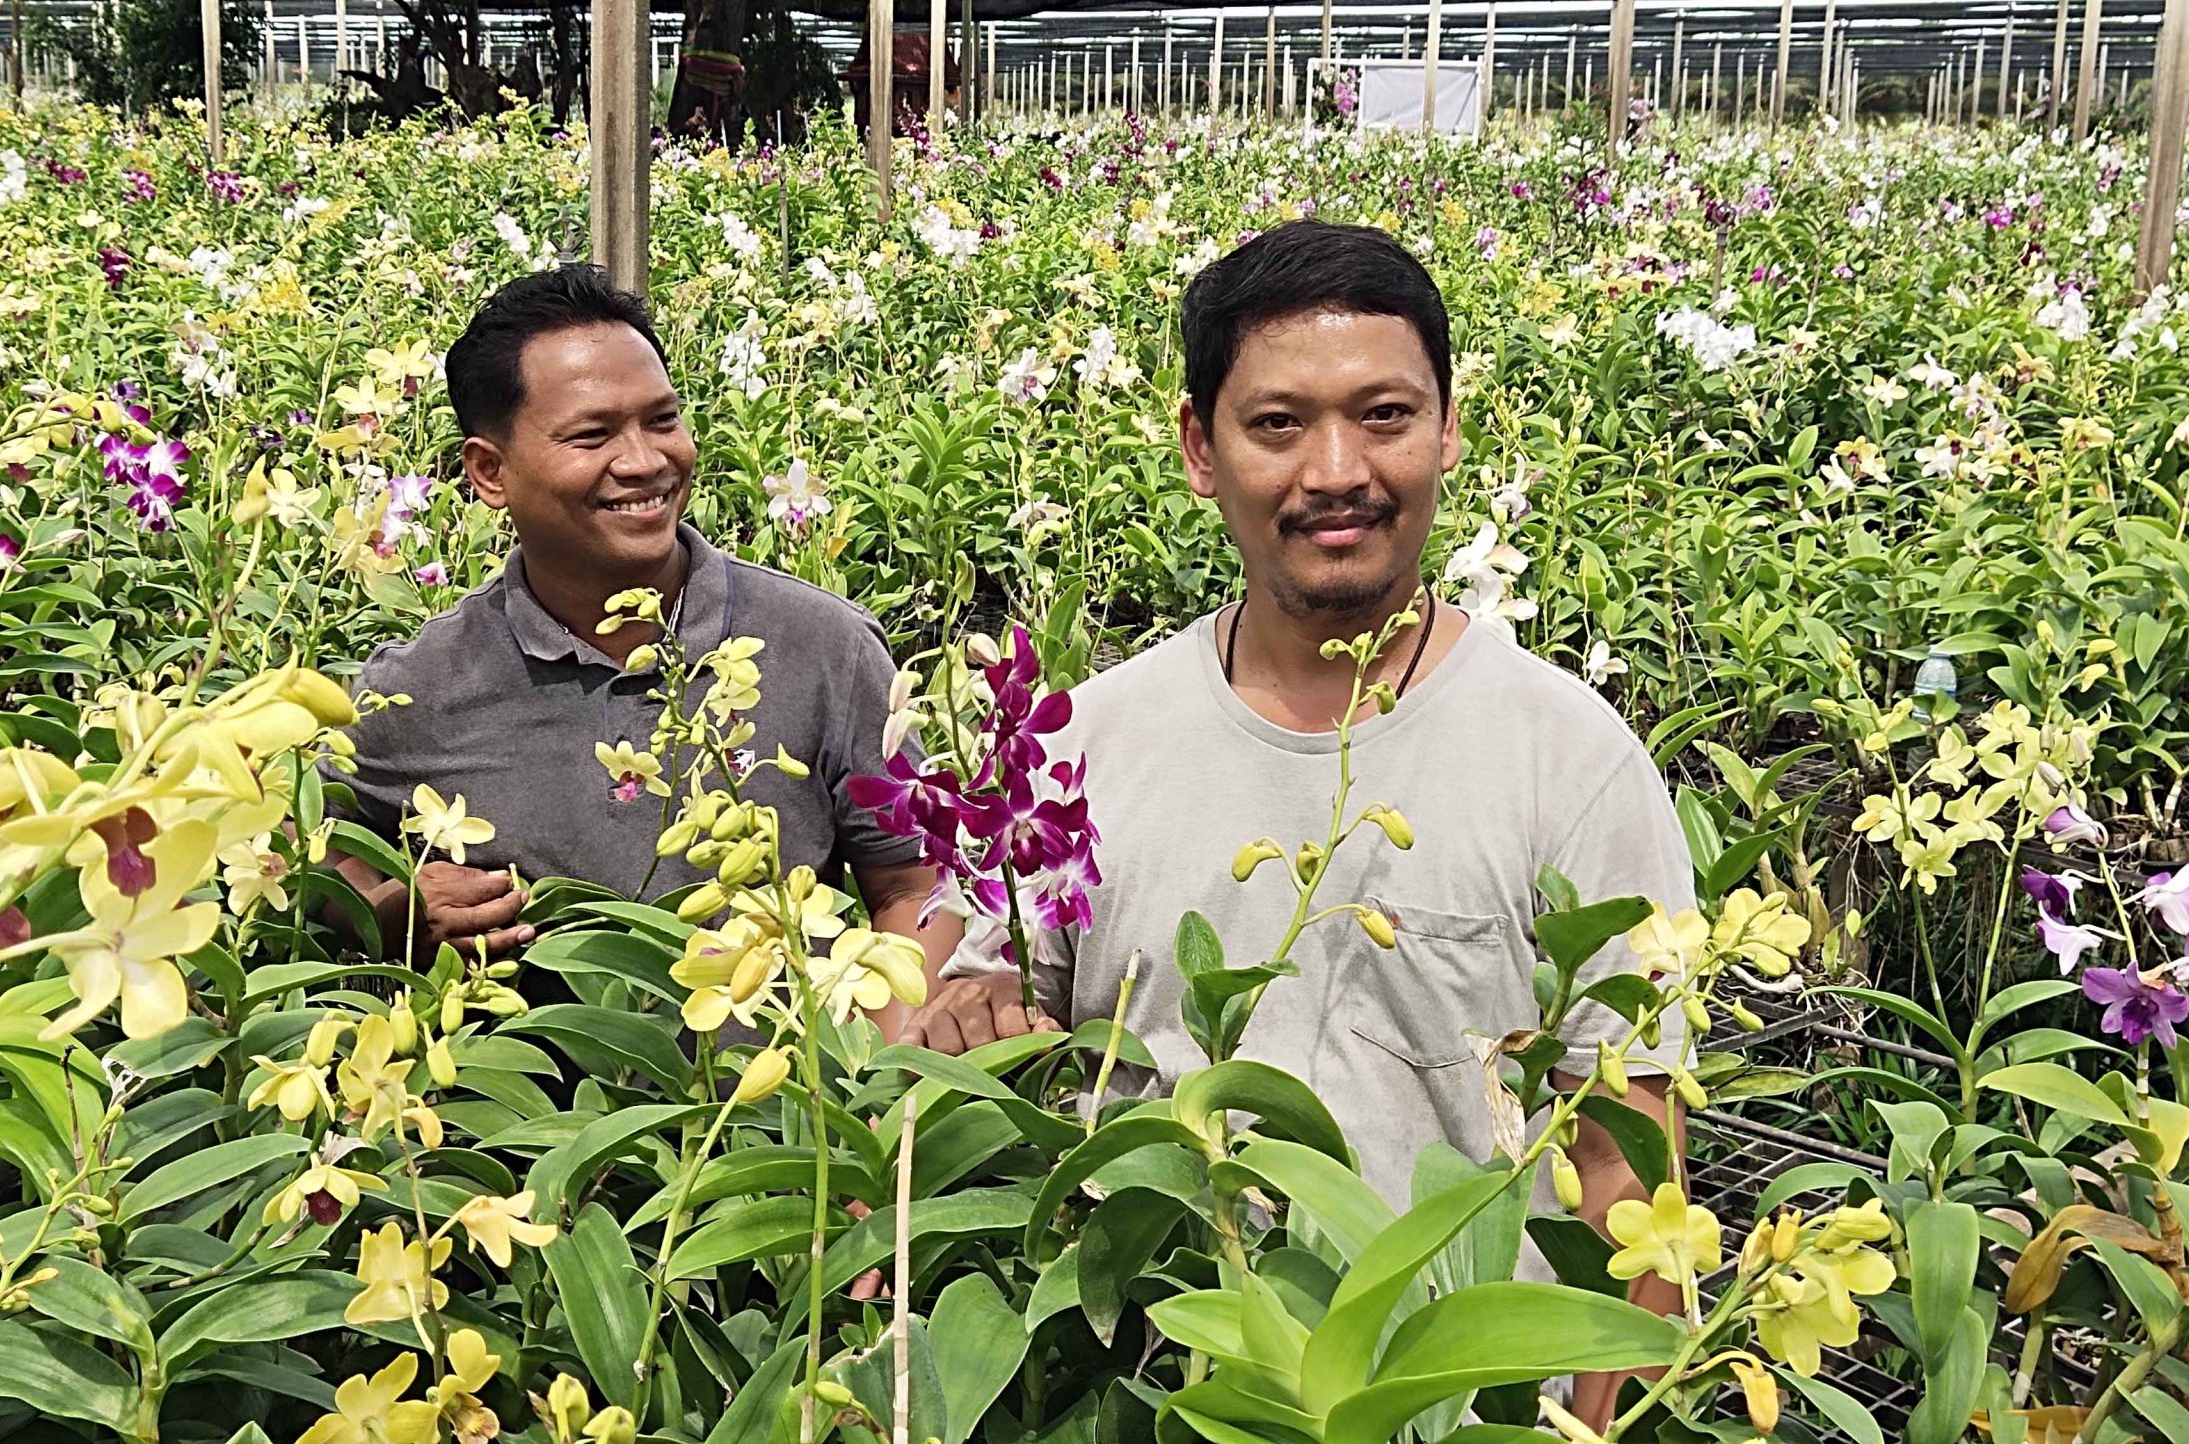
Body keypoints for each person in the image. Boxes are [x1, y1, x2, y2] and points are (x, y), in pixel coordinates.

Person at [902, 222, 1691, 1426]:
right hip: (1153, 1394)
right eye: (1276, 424)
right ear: (1197, 449)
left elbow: (1632, 1167)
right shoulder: (1079, 745)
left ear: (1447, 430)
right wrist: (968, 1024)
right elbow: (983, 1035)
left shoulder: (1568, 758)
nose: (1336, 470)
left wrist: (1602, 1418)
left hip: (1464, 1404)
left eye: (1383, 415)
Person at [328, 264, 958, 1031]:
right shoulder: (421, 688)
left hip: (778, 1118)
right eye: (592, 435)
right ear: (489, 473)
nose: (645, 461)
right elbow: (309, 850)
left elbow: (916, 887)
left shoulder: (824, 646)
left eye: (661, 420)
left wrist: (875, 1079)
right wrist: (389, 909)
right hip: (520, 1136)